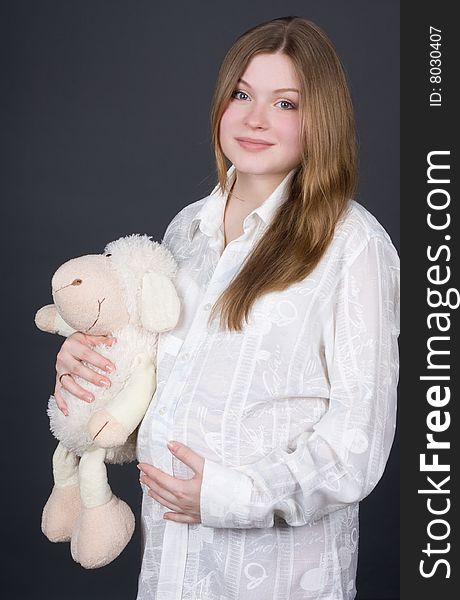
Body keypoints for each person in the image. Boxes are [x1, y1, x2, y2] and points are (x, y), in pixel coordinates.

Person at [54, 15, 400, 600]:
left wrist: (228, 498)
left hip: (274, 574)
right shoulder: (186, 230)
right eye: (241, 94)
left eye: (286, 103)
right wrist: (90, 374)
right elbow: (163, 395)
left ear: (323, 119)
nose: (255, 118)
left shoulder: (352, 245)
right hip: (171, 569)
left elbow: (355, 445)